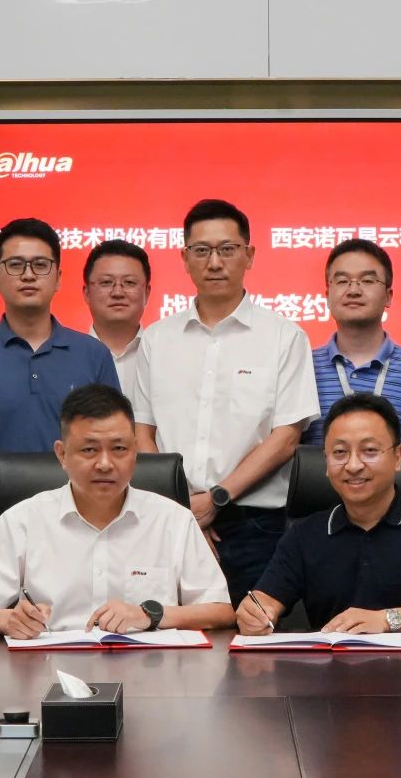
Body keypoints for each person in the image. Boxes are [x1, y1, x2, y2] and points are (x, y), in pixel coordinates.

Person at [134, 199, 320, 605]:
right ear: (184, 258)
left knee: (252, 634)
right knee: (166, 631)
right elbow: (143, 433)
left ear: (249, 255)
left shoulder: (284, 337)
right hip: (167, 515)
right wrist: (183, 509)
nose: (214, 262)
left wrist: (216, 498)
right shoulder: (156, 339)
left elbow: (286, 437)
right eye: (201, 250)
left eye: (227, 249)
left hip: (254, 524)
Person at [0, 385, 234, 637]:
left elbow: (220, 611)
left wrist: (150, 615)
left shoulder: (173, 520)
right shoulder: (23, 520)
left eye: (119, 448)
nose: (105, 464)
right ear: (62, 454)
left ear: (135, 451)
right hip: (49, 670)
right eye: (89, 450)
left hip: (149, 671)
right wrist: (9, 620)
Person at [237, 393, 401, 635]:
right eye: (340, 452)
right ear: (326, 462)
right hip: (331, 658)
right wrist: (256, 612)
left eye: (369, 450)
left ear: (397, 457)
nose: (353, 465)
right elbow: (266, 599)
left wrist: (385, 620)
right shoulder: (303, 535)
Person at [0, 218, 120, 453]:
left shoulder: (94, 355)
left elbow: (114, 443)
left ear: (58, 278)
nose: (28, 275)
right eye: (15, 265)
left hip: (75, 480)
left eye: (40, 265)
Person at [302, 239, 401, 445]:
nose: (353, 290)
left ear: (388, 296)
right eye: (342, 281)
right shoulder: (303, 368)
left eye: (367, 281)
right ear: (328, 296)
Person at [82, 239, 150, 395]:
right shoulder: (67, 357)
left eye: (129, 282)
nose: (118, 293)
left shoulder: (164, 354)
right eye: (106, 282)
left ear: (147, 292)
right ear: (87, 293)